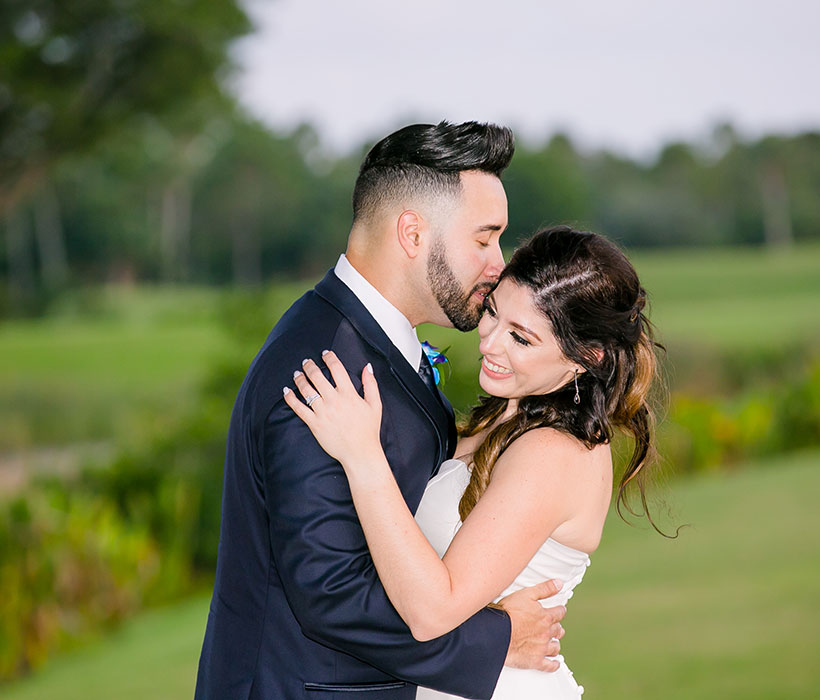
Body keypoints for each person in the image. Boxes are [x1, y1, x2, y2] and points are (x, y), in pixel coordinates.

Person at [194, 122, 567, 700]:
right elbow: (331, 591)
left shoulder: (365, 339)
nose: (499, 264)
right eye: (484, 238)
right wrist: (495, 640)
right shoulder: (323, 367)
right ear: (413, 234)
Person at [284, 225, 662, 699]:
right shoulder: (507, 418)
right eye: (492, 313)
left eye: (521, 339)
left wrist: (363, 457)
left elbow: (432, 610)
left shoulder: (555, 452)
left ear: (585, 357)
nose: (489, 343)